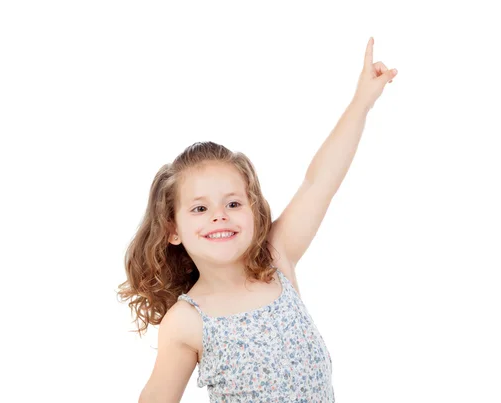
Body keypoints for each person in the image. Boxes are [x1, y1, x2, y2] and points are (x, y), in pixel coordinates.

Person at [118, 37, 397, 402]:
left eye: (233, 203)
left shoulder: (276, 258)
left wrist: (362, 102)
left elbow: (319, 182)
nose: (219, 215)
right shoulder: (187, 321)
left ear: (253, 210)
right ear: (172, 229)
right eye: (200, 208)